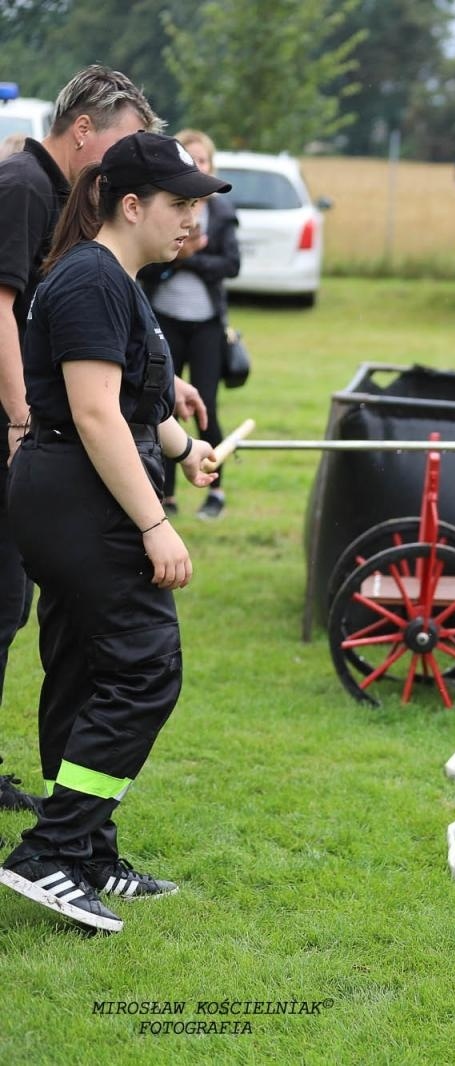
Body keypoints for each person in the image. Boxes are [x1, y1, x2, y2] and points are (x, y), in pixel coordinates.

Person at [0, 131, 224, 934]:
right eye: (180, 205)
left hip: (64, 495)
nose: (192, 221)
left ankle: (88, 852)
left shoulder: (113, 279)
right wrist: (156, 524)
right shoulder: (94, 278)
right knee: (143, 672)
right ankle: (52, 850)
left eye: (198, 206)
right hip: (78, 499)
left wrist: (188, 450)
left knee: (85, 671)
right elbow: (91, 413)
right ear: (131, 206)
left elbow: (131, 404)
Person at [0, 65, 167, 817]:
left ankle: (80, 844)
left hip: (44, 455)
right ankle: (64, 842)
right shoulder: (28, 188)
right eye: (126, 146)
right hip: (40, 451)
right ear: (83, 133)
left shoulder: (76, 241)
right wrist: (21, 422)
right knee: (19, 616)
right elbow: (1, 311)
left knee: (50, 639)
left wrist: (164, 412)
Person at [138, 129, 238, 521]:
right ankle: (166, 494)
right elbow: (150, 269)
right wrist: (179, 258)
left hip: (207, 324)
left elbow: (231, 265)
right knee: (163, 404)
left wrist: (190, 258)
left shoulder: (223, 213)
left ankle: (216, 490)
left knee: (205, 405)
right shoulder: (163, 208)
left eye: (204, 161)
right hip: (166, 322)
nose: (199, 167)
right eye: (191, 160)